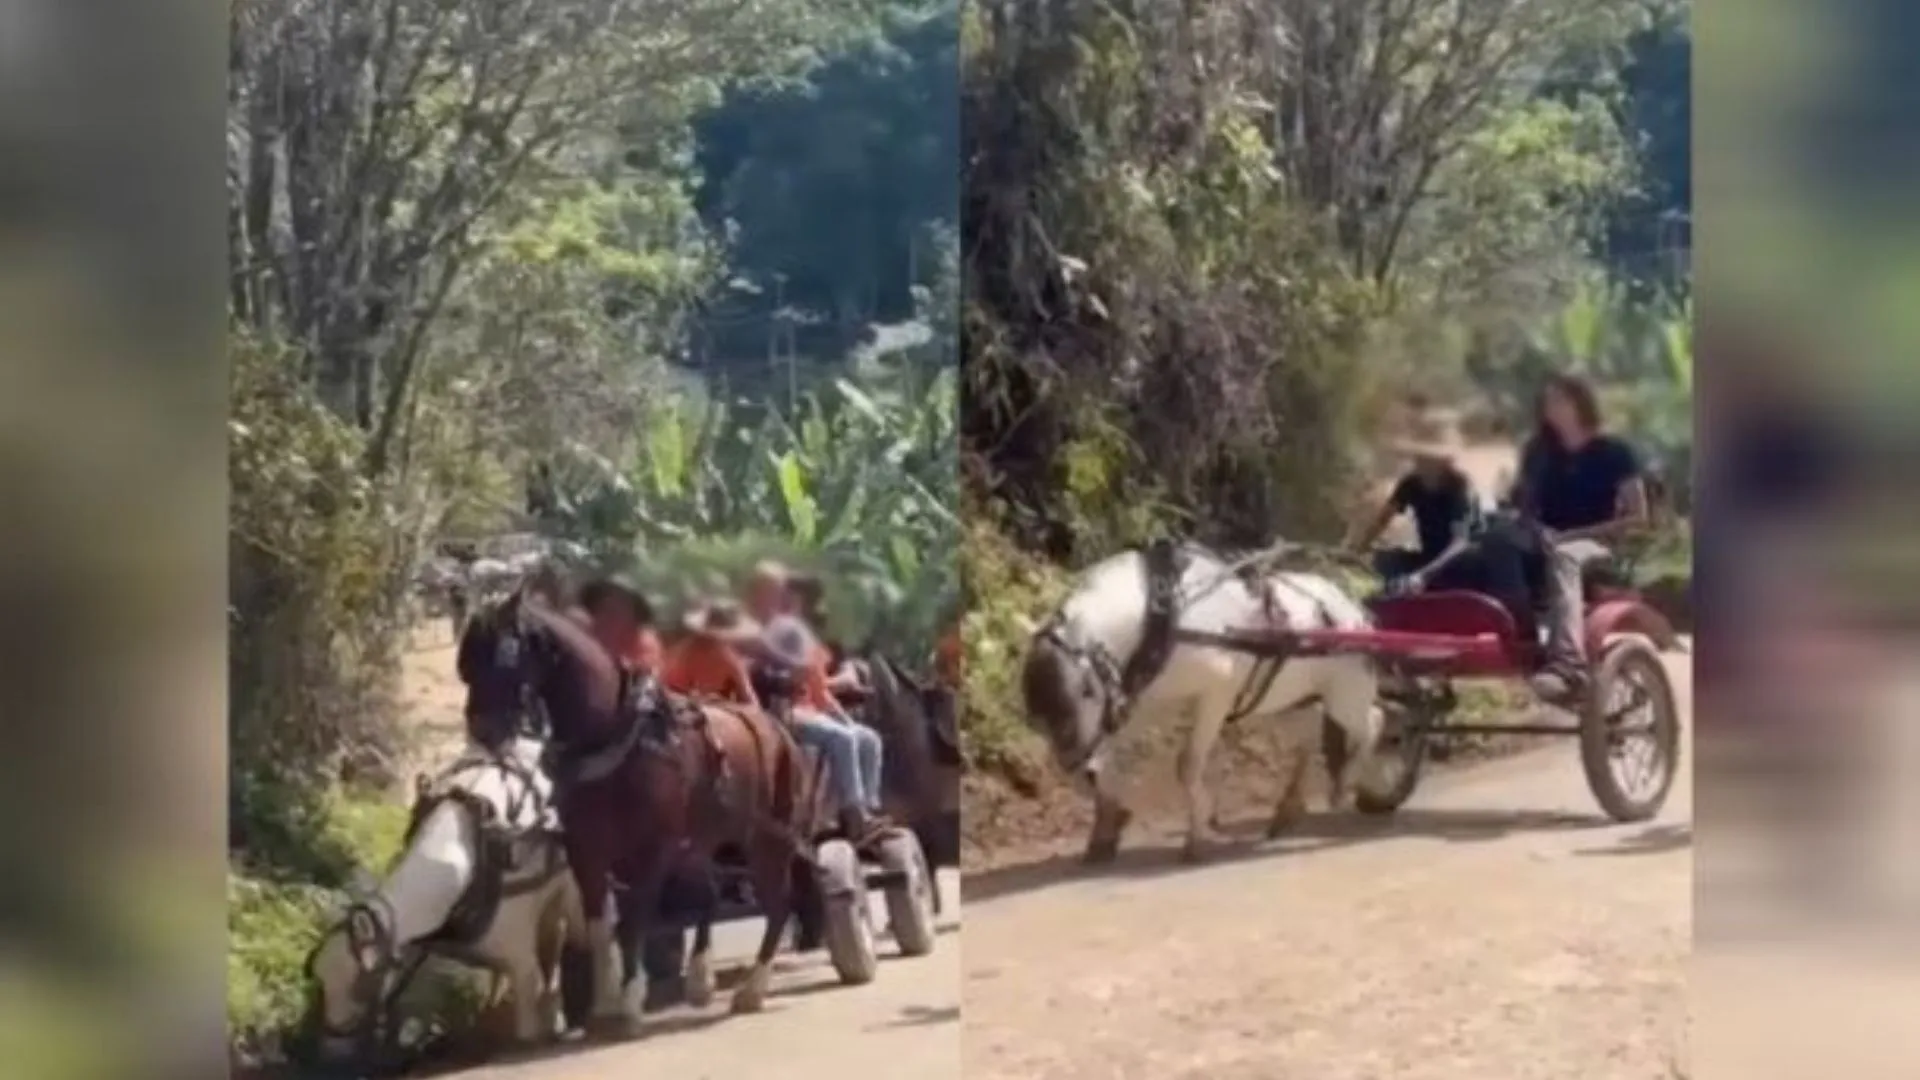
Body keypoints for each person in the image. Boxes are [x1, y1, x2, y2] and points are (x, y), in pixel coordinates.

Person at [1511, 373, 1650, 702]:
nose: (1552, 410)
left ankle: (1568, 664)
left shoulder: (1614, 452)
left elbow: (1638, 517)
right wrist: (1536, 531)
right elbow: (1525, 510)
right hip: (1546, 538)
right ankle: (1515, 635)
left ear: (1580, 403)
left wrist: (1572, 535)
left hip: (1597, 545)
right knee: (1495, 543)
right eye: (1547, 403)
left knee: (1565, 555)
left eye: (1560, 401)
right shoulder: (1538, 452)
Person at [743, 561, 889, 842]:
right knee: (841, 738)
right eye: (772, 592)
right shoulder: (749, 630)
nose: (778, 598)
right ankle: (853, 815)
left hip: (797, 708)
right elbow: (756, 675)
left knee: (867, 738)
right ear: (756, 593)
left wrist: (844, 717)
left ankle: (865, 809)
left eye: (779, 592)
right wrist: (787, 678)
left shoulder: (788, 631)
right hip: (769, 710)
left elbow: (814, 684)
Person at [661, 600, 761, 708]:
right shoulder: (683, 654)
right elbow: (664, 690)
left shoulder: (729, 659)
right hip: (683, 710)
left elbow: (751, 703)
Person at [578, 575, 664, 674]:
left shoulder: (644, 645)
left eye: (617, 612)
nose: (607, 620)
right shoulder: (576, 635)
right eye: (605, 607)